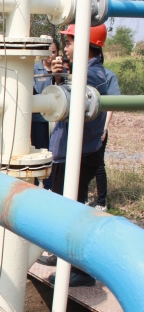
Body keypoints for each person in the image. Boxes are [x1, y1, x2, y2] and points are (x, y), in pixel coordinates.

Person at [40, 24, 109, 288]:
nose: (66, 48)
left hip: (76, 153)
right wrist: (61, 78)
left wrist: (61, 79)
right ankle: (64, 259)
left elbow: (65, 104)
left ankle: (81, 270)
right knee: (69, 207)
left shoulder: (89, 75)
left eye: (69, 43)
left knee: (70, 212)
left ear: (85, 45)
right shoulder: (92, 72)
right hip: (78, 150)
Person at [32, 41, 61, 189]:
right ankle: (38, 182)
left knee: (54, 151)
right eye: (47, 51)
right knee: (40, 150)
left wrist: (57, 76)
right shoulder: (33, 69)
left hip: (56, 119)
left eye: (54, 52)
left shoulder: (61, 69)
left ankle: (51, 183)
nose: (50, 55)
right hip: (38, 119)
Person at [93, 67, 120, 211]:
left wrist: (104, 127)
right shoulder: (79, 72)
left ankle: (101, 202)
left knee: (98, 165)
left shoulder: (109, 75)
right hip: (83, 127)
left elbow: (111, 104)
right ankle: (81, 197)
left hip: (99, 126)